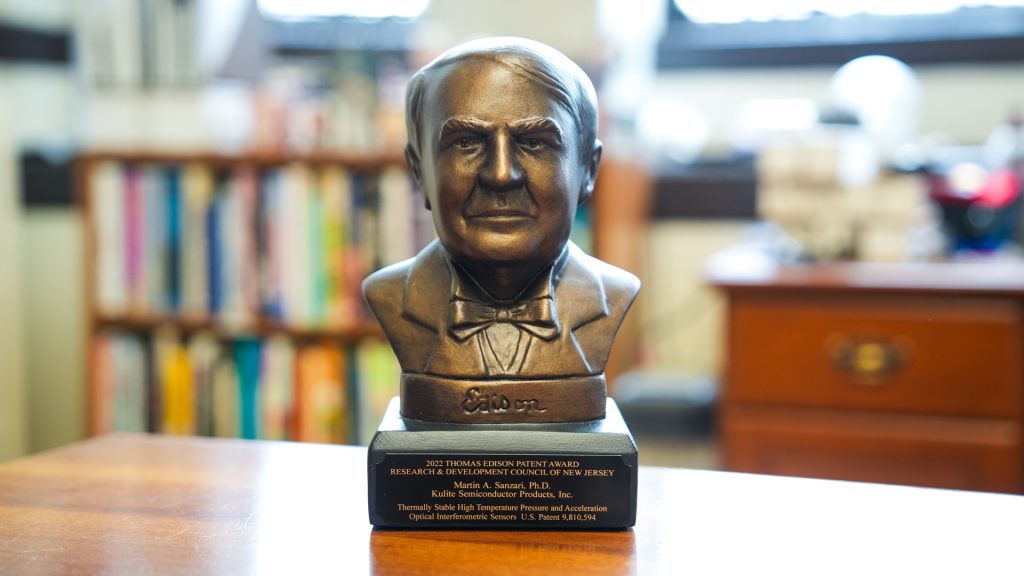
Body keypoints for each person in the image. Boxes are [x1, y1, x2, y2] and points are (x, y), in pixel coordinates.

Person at [363, 37, 639, 422]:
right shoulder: (390, 295)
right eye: (466, 143)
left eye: (534, 143)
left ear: (588, 170)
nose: (501, 174)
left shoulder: (613, 294)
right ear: (419, 172)